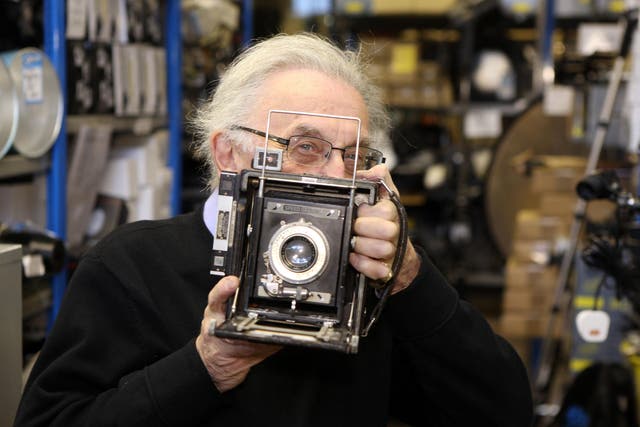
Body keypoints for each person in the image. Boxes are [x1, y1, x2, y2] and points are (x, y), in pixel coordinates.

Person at [14, 33, 533, 427]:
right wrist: (206, 366)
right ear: (227, 154)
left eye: (352, 156)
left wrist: (409, 277)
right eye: (305, 147)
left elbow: (503, 409)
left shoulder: (370, 277)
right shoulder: (133, 264)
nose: (333, 175)